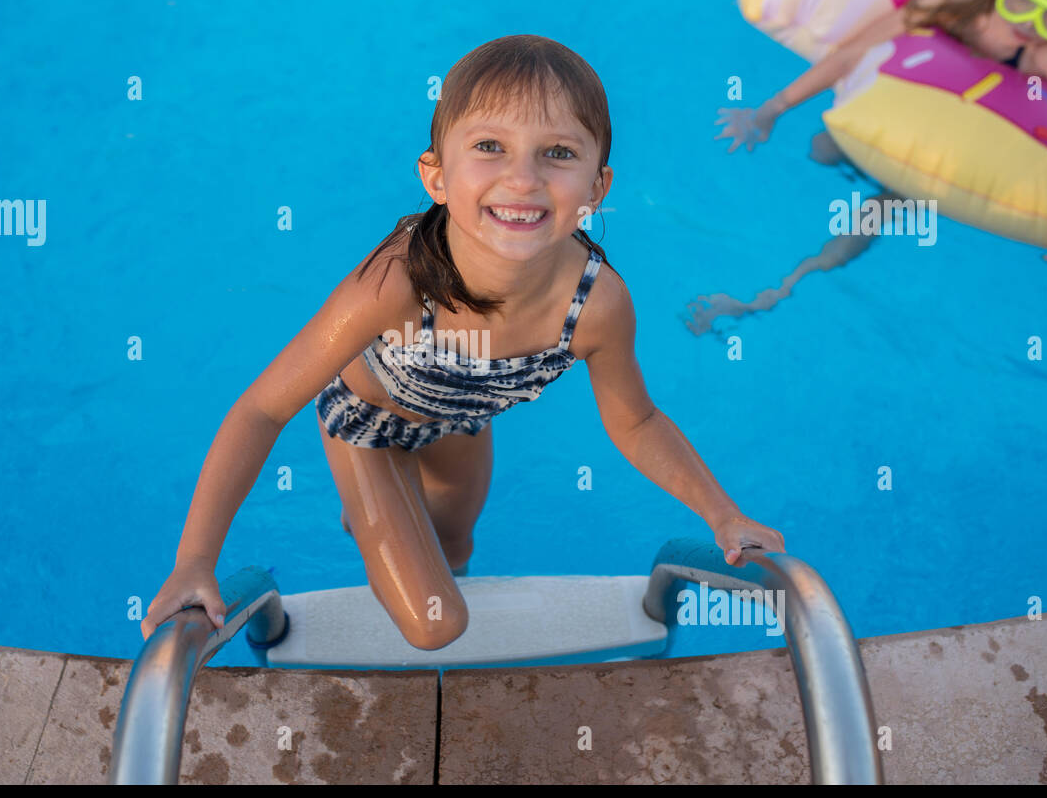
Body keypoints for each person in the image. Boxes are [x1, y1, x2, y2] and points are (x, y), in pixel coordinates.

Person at [141, 35, 786, 650]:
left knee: (456, 551)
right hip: (369, 426)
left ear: (598, 187)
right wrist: (195, 559)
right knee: (436, 624)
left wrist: (723, 516)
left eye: (557, 153)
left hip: (462, 424)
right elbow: (262, 409)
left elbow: (638, 421)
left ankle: (394, 525)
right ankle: (371, 506)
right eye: (489, 146)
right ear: (437, 176)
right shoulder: (395, 286)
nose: (524, 179)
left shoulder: (597, 305)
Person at [694, 0, 1047, 335]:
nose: (1031, 27)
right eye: (1023, 4)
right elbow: (857, 51)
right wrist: (771, 108)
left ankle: (768, 297)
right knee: (823, 149)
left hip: (945, 155)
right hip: (901, 110)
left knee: (868, 219)